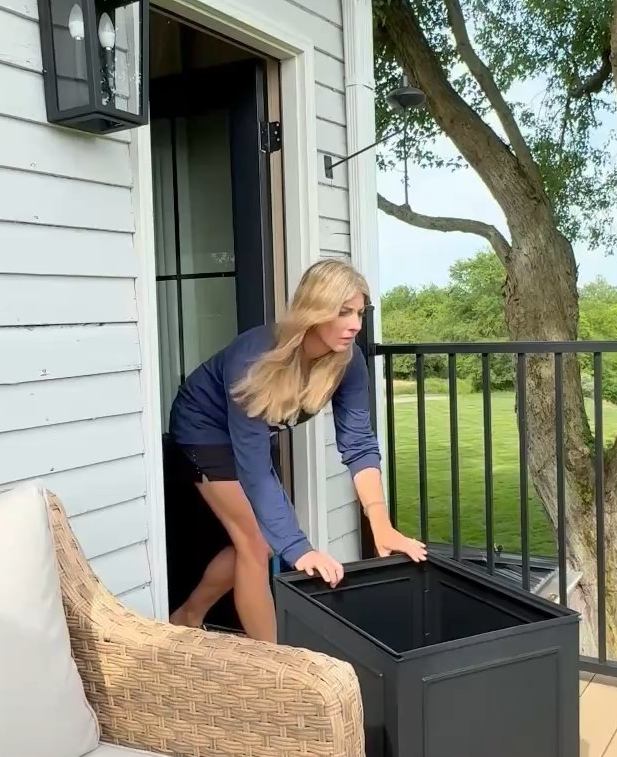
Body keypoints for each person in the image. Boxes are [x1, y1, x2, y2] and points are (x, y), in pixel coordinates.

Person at [167, 259, 426, 640]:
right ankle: (276, 666)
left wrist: (381, 524)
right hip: (203, 430)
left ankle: (187, 618)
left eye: (359, 312)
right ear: (314, 310)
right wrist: (300, 550)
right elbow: (253, 467)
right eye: (342, 312)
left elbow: (358, 443)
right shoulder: (255, 357)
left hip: (245, 438)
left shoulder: (347, 361)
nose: (355, 324)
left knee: (261, 542)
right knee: (256, 543)